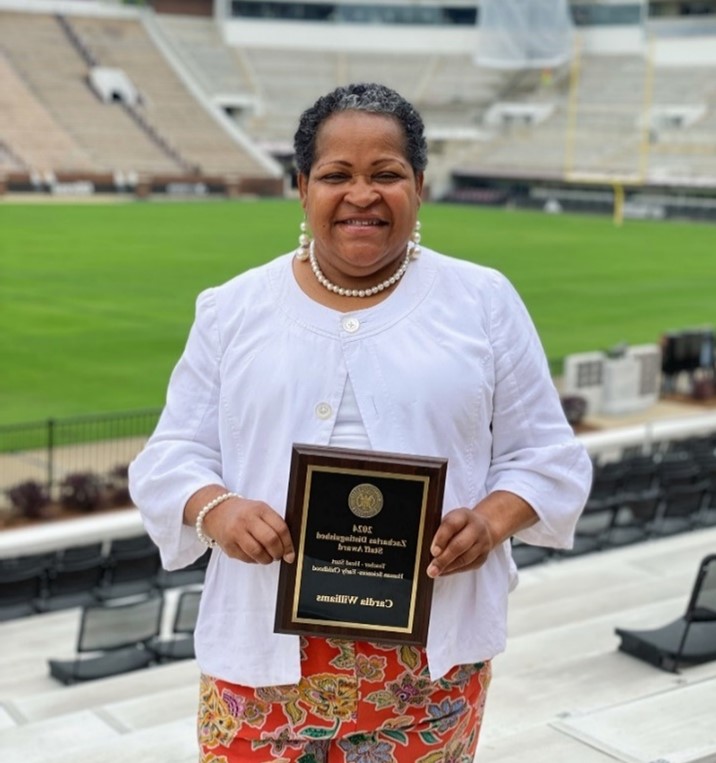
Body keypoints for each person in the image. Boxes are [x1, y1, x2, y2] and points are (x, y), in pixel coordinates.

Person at [129, 82, 592, 762]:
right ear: (301, 187)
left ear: (420, 185)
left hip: (428, 672)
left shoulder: (481, 301)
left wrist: (491, 519)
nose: (362, 194)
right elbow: (170, 456)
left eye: (386, 174)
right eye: (336, 175)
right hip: (262, 665)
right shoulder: (232, 309)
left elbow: (548, 456)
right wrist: (219, 510)